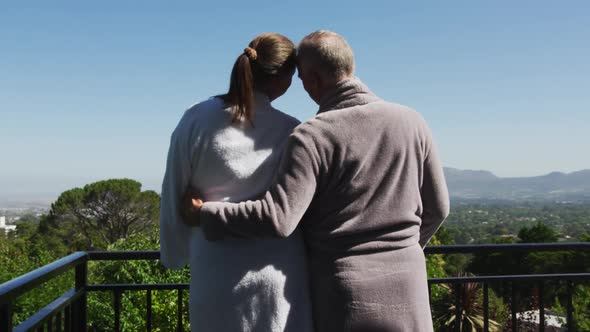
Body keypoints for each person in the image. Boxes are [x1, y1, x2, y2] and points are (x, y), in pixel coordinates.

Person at [183, 30, 450, 332]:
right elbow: (438, 209)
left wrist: (206, 213)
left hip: (345, 295)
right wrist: (404, 253)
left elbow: (278, 218)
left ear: (313, 79)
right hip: (410, 287)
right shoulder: (412, 121)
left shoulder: (313, 135)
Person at [159, 33, 313, 332]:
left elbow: (174, 191)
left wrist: (175, 253)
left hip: (214, 271)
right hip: (276, 275)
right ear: (281, 77)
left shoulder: (196, 118)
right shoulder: (292, 130)